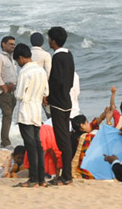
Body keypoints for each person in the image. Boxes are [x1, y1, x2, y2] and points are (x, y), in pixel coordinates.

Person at [12, 42, 48, 188]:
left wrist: (15, 90)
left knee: (30, 146)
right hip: (37, 112)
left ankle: (33, 179)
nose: (18, 64)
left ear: (21, 58)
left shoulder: (24, 72)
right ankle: (41, 179)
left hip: (25, 112)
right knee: (38, 146)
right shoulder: (41, 70)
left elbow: (19, 94)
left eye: (17, 61)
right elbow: (46, 93)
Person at [46, 26, 76, 186]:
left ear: (54, 40)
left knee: (62, 140)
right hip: (67, 100)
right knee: (64, 138)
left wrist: (49, 97)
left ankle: (66, 176)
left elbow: (55, 80)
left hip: (58, 103)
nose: (49, 41)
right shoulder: (69, 55)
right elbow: (69, 80)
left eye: (50, 38)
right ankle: (66, 174)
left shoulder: (57, 57)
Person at [0, 35, 18, 148]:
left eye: (14, 44)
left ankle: (4, 142)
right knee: (7, 115)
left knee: (9, 116)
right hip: (3, 92)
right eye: (10, 44)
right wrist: (5, 89)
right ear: (3, 44)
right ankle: (5, 142)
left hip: (12, 92)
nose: (13, 46)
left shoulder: (11, 59)